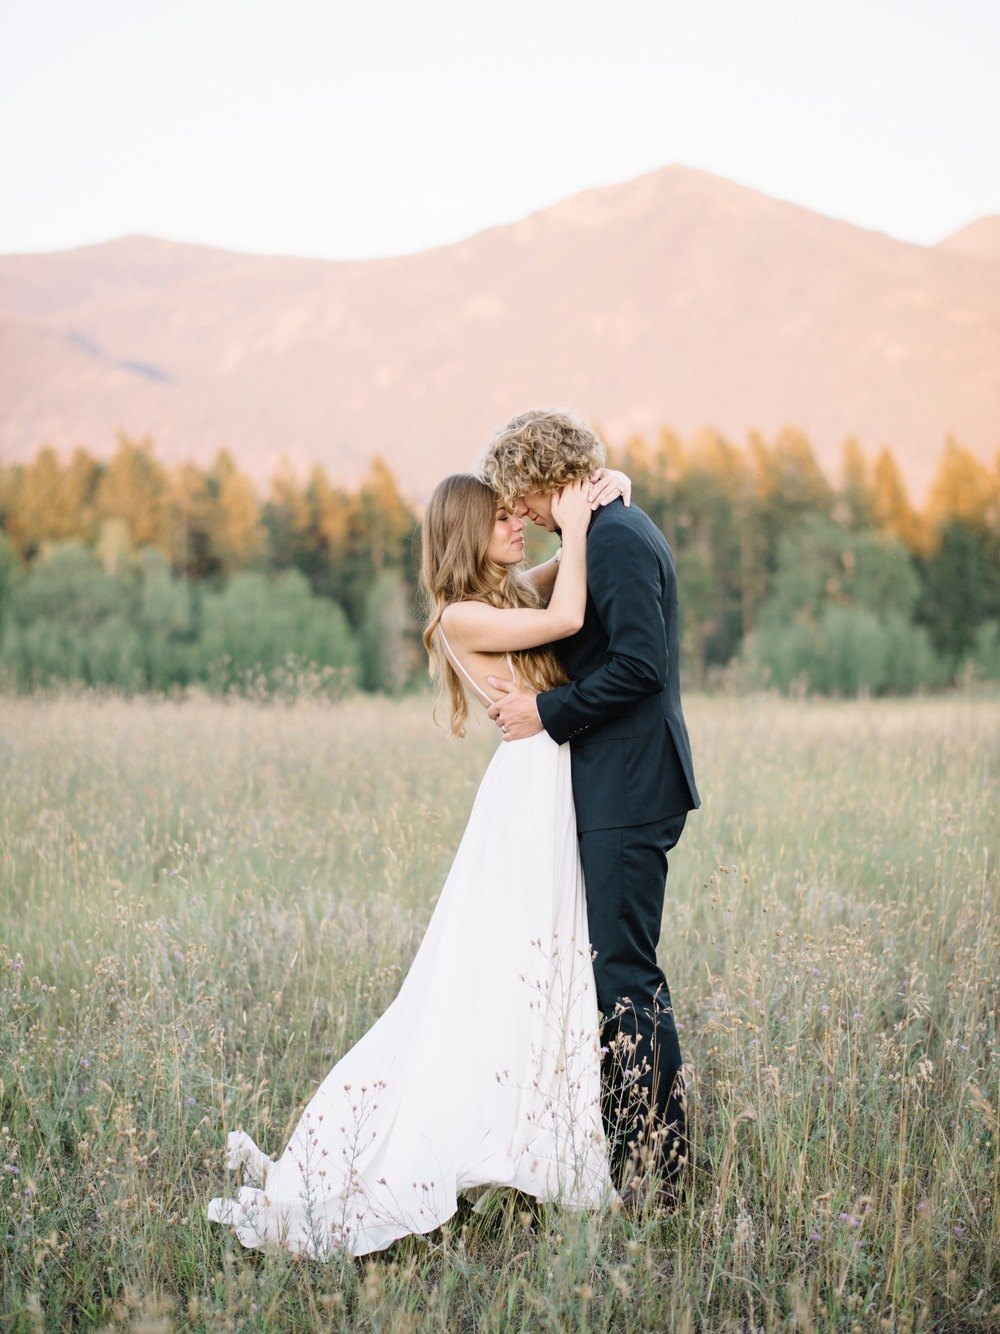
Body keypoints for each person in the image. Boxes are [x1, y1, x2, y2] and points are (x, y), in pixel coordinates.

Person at [205, 464, 632, 1261]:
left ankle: (535, 1146)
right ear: (468, 534)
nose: (519, 527)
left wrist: (607, 496)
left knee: (543, 969)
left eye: (519, 517)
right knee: (496, 975)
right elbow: (571, 604)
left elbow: (560, 576)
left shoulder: (503, 597)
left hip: (548, 784)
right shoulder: (461, 616)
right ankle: (445, 1148)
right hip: (528, 795)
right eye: (503, 520)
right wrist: (575, 528)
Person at [480, 409, 700, 1210]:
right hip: (620, 783)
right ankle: (627, 1162)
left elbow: (641, 665)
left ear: (546, 477)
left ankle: (659, 1180)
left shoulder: (612, 539)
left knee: (626, 981)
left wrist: (548, 710)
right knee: (616, 977)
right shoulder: (606, 530)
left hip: (630, 787)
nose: (525, 515)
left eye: (524, 498)